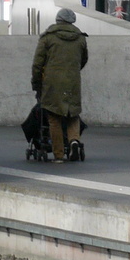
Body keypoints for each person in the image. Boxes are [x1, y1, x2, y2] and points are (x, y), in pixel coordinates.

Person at [31, 8, 88, 162]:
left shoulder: (48, 38)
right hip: (73, 81)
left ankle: (58, 154)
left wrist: (36, 83)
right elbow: (83, 60)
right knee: (73, 115)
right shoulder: (81, 39)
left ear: (57, 20)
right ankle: (74, 141)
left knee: (54, 118)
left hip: (52, 82)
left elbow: (37, 63)